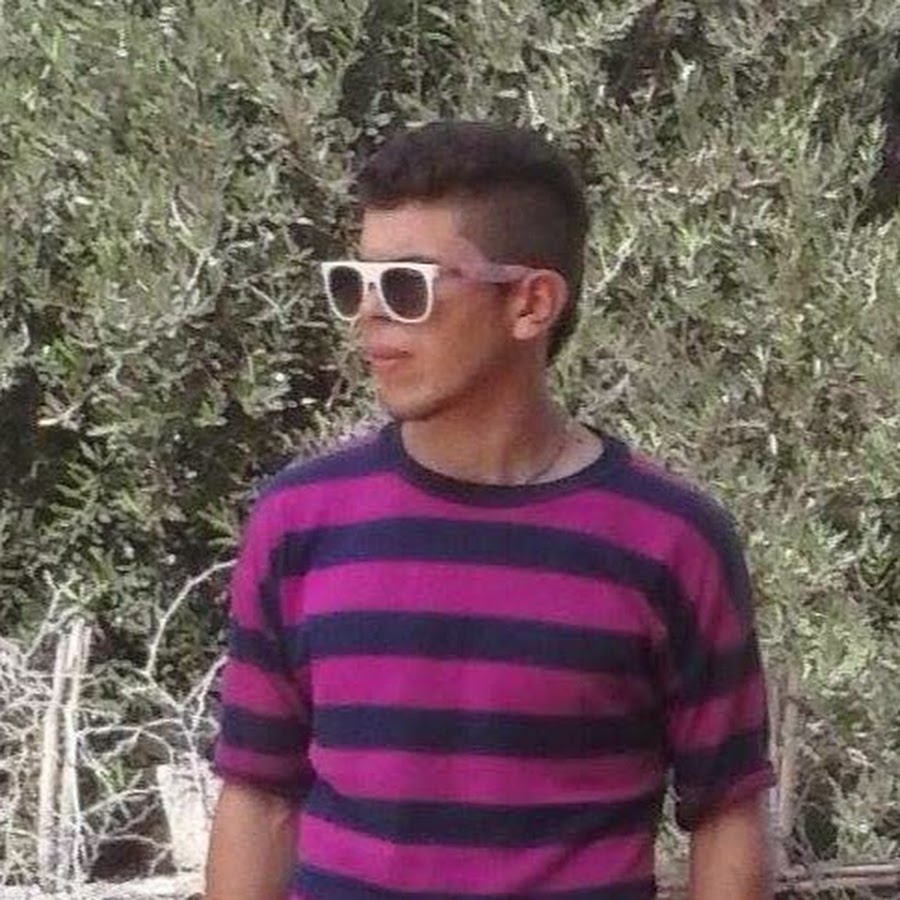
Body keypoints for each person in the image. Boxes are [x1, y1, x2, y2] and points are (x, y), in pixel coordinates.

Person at [206, 120, 775, 900]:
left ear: (531, 303)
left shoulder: (671, 541)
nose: (368, 313)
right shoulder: (298, 522)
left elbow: (726, 809)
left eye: (406, 285)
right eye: (354, 282)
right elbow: (259, 796)